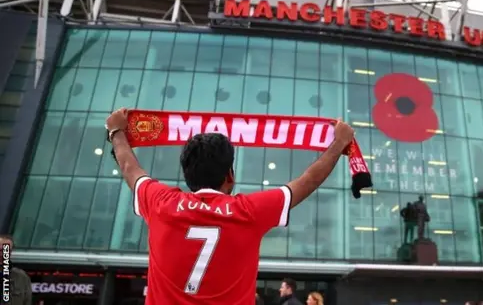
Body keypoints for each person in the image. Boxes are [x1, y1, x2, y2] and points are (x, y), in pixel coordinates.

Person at [106, 108, 355, 305]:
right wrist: (338, 143)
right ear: (230, 175)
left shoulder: (161, 203)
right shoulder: (249, 211)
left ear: (187, 174)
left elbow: (130, 167)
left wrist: (116, 131)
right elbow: (307, 181)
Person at [0, 235, 32, 305]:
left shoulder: (21, 277)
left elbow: (27, 301)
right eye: (1, 250)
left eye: (7, 250)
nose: (4, 254)